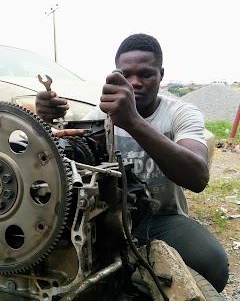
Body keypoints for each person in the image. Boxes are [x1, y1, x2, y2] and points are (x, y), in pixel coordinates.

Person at [35, 33, 229, 292]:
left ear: (161, 74)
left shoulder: (180, 113)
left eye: (145, 74)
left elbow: (197, 177)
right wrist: (46, 121)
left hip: (163, 218)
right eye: (126, 75)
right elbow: (67, 154)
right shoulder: (100, 116)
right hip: (108, 218)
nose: (135, 82)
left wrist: (132, 121)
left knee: (213, 264)